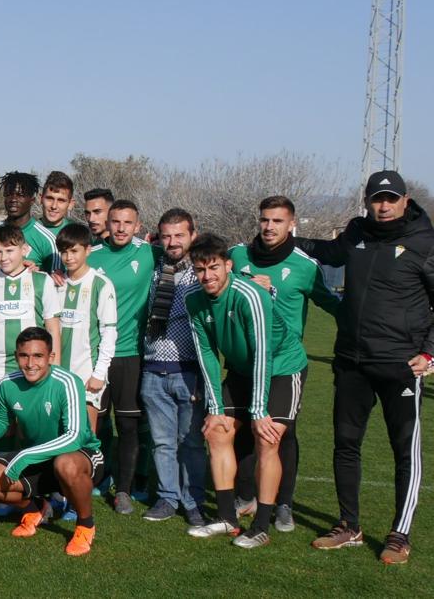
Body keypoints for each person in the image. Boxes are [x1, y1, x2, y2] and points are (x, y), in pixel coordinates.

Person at [295, 171, 434, 564]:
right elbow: (330, 253)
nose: (384, 206)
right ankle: (349, 526)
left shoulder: (424, 241)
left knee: (404, 450)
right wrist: (287, 239)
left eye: (391, 199)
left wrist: (429, 354)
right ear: (367, 201)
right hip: (352, 361)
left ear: (406, 200)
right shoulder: (356, 232)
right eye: (377, 199)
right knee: (346, 444)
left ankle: (400, 534)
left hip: (400, 365)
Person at [186, 234, 308, 548]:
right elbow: (208, 356)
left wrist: (258, 411)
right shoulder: (194, 301)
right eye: (200, 269)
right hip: (242, 370)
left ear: (228, 265)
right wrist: (214, 408)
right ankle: (227, 518)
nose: (207, 276)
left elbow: (263, 352)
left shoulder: (249, 294)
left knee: (267, 438)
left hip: (282, 367)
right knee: (217, 432)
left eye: (214, 267)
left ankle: (262, 524)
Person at [228, 195, 341, 531]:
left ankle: (284, 503)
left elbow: (334, 305)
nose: (269, 227)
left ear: (292, 224)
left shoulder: (305, 266)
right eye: (265, 220)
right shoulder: (238, 256)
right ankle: (246, 495)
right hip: (243, 361)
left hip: (283, 364)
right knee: (241, 430)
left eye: (277, 221)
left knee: (280, 434)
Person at [0, 327, 103, 555]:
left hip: (79, 457)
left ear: (50, 357)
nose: (30, 363)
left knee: (65, 464)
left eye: (38, 356)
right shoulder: (7, 384)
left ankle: (85, 525)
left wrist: (24, 456)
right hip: (38, 458)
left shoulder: (67, 382)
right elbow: (0, 420)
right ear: (16, 355)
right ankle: (35, 510)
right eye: (24, 356)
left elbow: (75, 436)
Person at [86, 199, 157, 515]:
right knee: (97, 423)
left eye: (128, 223)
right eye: (115, 221)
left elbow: (188, 255)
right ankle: (98, 478)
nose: (121, 228)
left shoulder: (148, 253)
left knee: (128, 425)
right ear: (107, 223)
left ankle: (124, 490)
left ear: (138, 225)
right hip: (97, 355)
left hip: (130, 354)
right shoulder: (92, 256)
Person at [139, 208, 206, 527]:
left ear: (193, 235)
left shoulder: (201, 271)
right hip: (153, 368)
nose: (172, 241)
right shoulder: (154, 268)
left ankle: (193, 500)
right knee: (162, 441)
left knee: (190, 441)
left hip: (189, 369)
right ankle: (167, 497)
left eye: (179, 235)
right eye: (166, 235)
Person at [0, 224, 62, 405]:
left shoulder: (42, 280)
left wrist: (55, 368)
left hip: (33, 364)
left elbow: (53, 327)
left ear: (24, 250)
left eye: (9, 250)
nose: (4, 257)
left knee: (31, 422)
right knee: (0, 423)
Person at [53, 223, 117, 432]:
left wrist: (99, 373)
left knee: (86, 435)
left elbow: (109, 333)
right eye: (64, 252)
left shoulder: (101, 284)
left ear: (88, 250)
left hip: (87, 373)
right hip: (58, 372)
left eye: (74, 251)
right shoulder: (55, 283)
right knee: (57, 432)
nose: (69, 257)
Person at [0, 171, 58, 273]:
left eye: (20, 195)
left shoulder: (47, 239)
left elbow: (56, 280)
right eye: (8, 194)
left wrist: (38, 271)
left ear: (32, 200)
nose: (13, 199)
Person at [38, 171, 76, 238]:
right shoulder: (26, 232)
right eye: (50, 198)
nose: (54, 206)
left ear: (70, 204)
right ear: (40, 199)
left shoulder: (79, 233)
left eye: (61, 200)